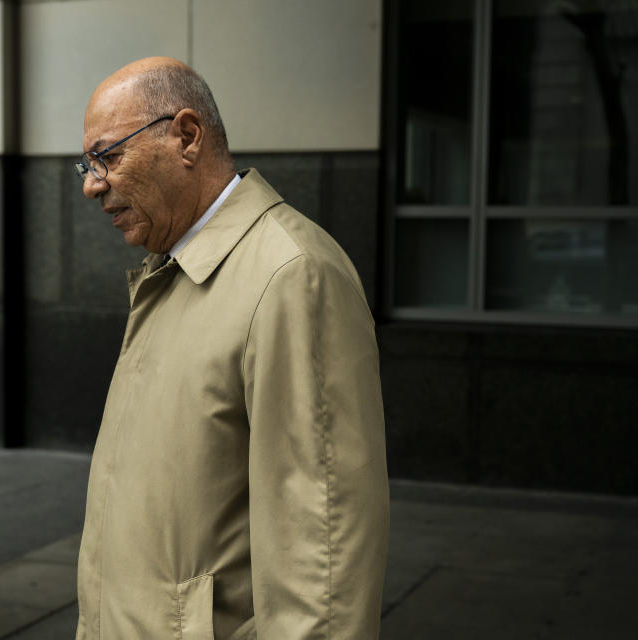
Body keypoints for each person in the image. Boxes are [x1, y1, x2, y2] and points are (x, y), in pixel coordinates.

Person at [74, 56, 389, 640]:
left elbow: (323, 568)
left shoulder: (293, 275)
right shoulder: (172, 269)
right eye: (86, 165)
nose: (93, 185)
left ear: (186, 138)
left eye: (107, 156)